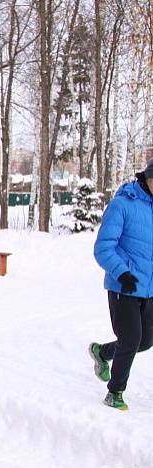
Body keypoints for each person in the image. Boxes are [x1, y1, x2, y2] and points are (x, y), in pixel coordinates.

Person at [90, 159, 153, 411]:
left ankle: (102, 353)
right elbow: (103, 248)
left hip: (149, 287)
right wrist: (122, 273)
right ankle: (115, 392)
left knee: (145, 341)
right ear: (147, 178)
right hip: (123, 286)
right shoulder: (122, 205)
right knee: (130, 338)